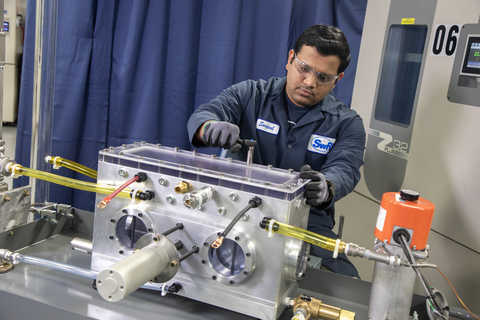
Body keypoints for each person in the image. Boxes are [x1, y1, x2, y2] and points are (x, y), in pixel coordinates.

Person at [187, 25, 366, 277]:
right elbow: (207, 113)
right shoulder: (251, 95)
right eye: (304, 68)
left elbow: (345, 168)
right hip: (236, 209)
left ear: (339, 79)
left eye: (323, 77)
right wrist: (209, 127)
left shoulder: (347, 123)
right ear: (290, 59)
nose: (309, 82)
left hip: (306, 222)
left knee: (343, 280)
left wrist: (328, 185)